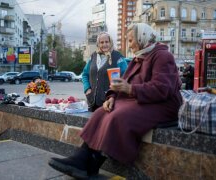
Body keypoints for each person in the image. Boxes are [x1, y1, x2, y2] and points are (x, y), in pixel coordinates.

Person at [48, 23, 183, 179]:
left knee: (119, 115)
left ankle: (91, 164)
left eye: (131, 40)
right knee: (101, 112)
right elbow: (122, 82)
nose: (129, 44)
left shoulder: (162, 56)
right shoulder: (140, 56)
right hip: (144, 101)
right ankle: (81, 159)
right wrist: (111, 97)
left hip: (164, 106)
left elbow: (162, 89)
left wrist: (130, 89)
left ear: (142, 38)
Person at [82, 32, 128, 112]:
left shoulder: (118, 57)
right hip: (92, 102)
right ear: (98, 44)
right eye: (101, 42)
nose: (104, 44)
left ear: (111, 43)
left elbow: (126, 76)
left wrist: (114, 95)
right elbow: (85, 74)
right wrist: (87, 89)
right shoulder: (93, 56)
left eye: (107, 42)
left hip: (109, 103)